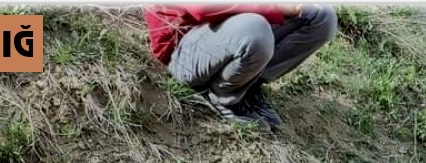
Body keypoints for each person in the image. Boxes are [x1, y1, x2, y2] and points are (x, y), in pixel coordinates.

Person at [145, 4, 338, 133]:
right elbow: (201, 9)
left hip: (228, 29)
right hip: (182, 48)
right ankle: (223, 95)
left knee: (321, 15)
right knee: (256, 29)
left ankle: (249, 83)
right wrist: (275, 7)